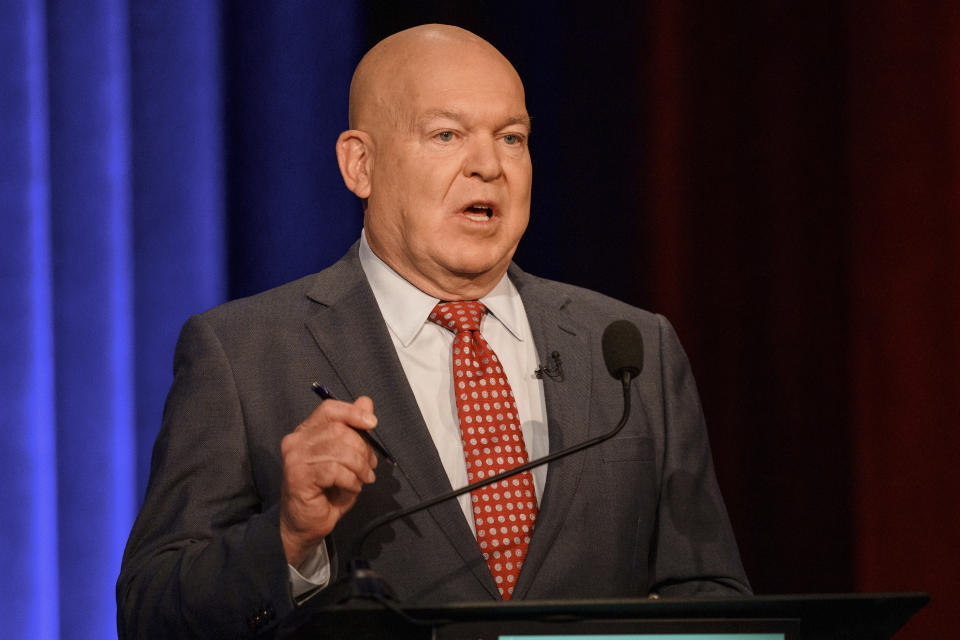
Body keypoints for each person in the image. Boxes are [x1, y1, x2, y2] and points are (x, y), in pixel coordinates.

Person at [117, 24, 750, 639]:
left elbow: (713, 600)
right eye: (447, 134)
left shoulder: (632, 348)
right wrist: (287, 538)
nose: (489, 166)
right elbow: (150, 612)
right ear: (360, 164)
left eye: (512, 137)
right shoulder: (243, 353)